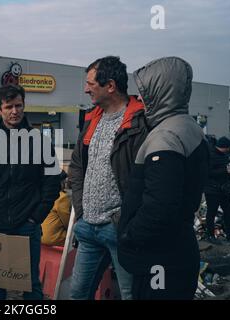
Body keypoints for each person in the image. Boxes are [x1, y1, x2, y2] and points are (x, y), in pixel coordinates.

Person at [117, 57, 209, 300]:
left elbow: (160, 207)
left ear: (161, 91)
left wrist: (129, 235)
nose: (141, 100)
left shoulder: (166, 136)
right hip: (178, 251)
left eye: (145, 93)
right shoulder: (189, 128)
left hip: (159, 260)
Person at [0, 84, 60, 300]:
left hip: (26, 225)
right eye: (9, 106)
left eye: (19, 105)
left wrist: (35, 218)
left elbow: (52, 184)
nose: (15, 111)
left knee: (30, 284)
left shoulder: (40, 142)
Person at [69, 56, 148, 300]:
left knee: (129, 294)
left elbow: (146, 179)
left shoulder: (140, 122)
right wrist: (81, 211)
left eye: (91, 84)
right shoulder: (92, 118)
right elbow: (77, 166)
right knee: (77, 294)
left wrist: (121, 220)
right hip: (87, 228)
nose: (85, 89)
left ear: (110, 86)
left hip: (119, 230)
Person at [204, 136, 230, 244]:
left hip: (224, 189)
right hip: (212, 190)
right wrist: (225, 171)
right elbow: (208, 173)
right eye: (228, 148)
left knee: (228, 211)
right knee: (211, 212)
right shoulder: (210, 155)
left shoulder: (225, 155)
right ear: (223, 147)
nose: (229, 150)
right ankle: (210, 235)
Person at [41, 170, 71, 246]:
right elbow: (68, 222)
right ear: (61, 182)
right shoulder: (62, 198)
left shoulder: (43, 194)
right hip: (53, 238)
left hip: (40, 236)